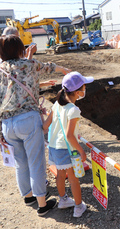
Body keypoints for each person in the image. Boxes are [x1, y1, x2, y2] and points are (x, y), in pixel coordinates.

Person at [0, 35, 71, 216]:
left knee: (20, 163)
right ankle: (42, 204)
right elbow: (49, 67)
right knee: (36, 162)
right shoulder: (28, 64)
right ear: (20, 50)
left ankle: (28, 196)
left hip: (7, 123)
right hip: (28, 120)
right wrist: (64, 70)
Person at [43, 71, 93, 218]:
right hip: (66, 150)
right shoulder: (74, 110)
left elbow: (46, 125)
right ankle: (78, 207)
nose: (85, 90)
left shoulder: (56, 105)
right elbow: (70, 136)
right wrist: (82, 151)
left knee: (60, 175)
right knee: (73, 179)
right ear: (78, 92)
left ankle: (63, 200)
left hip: (53, 147)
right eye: (84, 87)